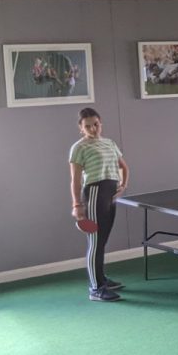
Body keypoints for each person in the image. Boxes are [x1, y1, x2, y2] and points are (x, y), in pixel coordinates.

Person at [68, 107, 130, 302]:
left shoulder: (109, 143)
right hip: (94, 193)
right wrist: (77, 204)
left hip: (109, 194)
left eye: (96, 124)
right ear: (81, 128)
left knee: (102, 240)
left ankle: (101, 278)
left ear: (100, 123)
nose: (93, 129)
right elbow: (75, 180)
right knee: (95, 242)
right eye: (88, 126)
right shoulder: (79, 148)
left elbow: (123, 166)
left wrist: (123, 185)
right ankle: (95, 288)